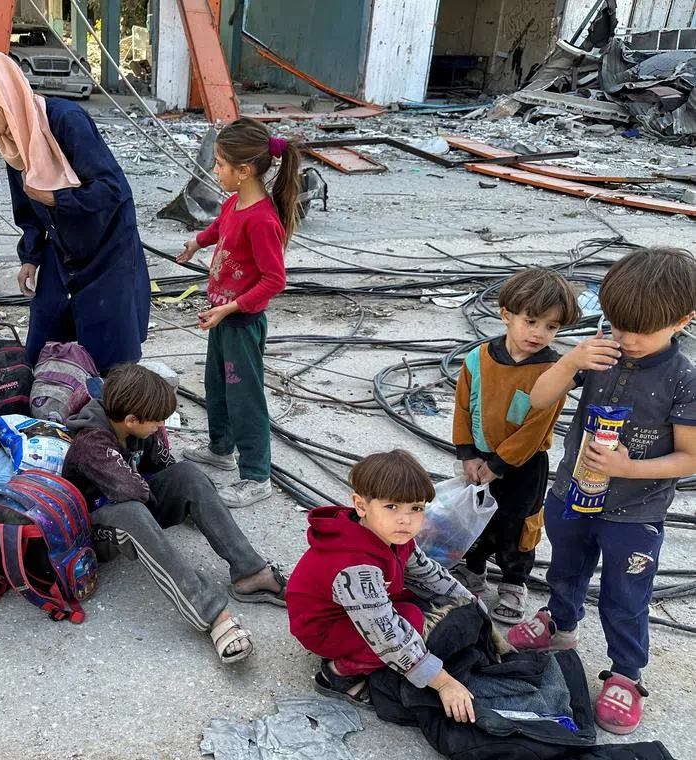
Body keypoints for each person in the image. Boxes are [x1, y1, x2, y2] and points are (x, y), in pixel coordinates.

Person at [507, 248, 696, 735]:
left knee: (624, 593)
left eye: (642, 331)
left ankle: (627, 674)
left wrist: (628, 466)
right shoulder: (599, 352)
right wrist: (571, 360)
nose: (627, 340)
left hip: (635, 513)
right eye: (617, 326)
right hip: (573, 494)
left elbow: (690, 456)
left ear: (683, 321)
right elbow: (537, 400)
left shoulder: (683, 378)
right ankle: (561, 624)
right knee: (566, 566)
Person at [62, 364, 287, 664]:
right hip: (98, 528)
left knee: (188, 475)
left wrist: (192, 500)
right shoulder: (91, 443)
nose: (159, 427)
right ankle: (210, 613)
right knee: (132, 513)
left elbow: (167, 467)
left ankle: (250, 573)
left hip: (135, 498)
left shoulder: (139, 428)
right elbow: (134, 493)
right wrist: (159, 497)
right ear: (131, 420)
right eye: (155, 422)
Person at [0, 53, 149, 374]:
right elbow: (27, 208)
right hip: (62, 252)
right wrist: (30, 256)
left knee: (108, 357)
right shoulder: (12, 138)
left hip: (107, 249)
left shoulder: (65, 120)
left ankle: (110, 415)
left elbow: (112, 190)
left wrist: (57, 199)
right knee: (43, 345)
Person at [286, 450, 476, 719]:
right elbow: (389, 637)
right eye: (392, 507)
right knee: (410, 618)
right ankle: (338, 673)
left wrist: (473, 604)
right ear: (361, 506)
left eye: (416, 509)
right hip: (321, 628)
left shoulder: (393, 536)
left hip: (352, 608)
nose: (405, 520)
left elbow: (429, 575)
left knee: (420, 599)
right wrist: (444, 682)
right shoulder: (354, 568)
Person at [176, 118, 298, 508]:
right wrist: (196, 242)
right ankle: (220, 448)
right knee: (216, 386)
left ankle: (256, 475)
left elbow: (274, 280)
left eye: (220, 164)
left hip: (241, 323)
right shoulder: (235, 203)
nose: (215, 170)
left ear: (244, 171)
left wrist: (229, 307)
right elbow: (220, 229)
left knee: (245, 399)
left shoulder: (263, 219)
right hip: (223, 318)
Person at [450, 268, 581, 624]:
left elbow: (536, 429)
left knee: (519, 526)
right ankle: (472, 570)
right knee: (474, 520)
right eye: (531, 321)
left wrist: (498, 465)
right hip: (478, 460)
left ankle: (513, 582)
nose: (539, 333)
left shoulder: (553, 372)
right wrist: (468, 454)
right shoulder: (478, 359)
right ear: (506, 314)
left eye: (551, 327)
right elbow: (463, 407)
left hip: (524, 467)